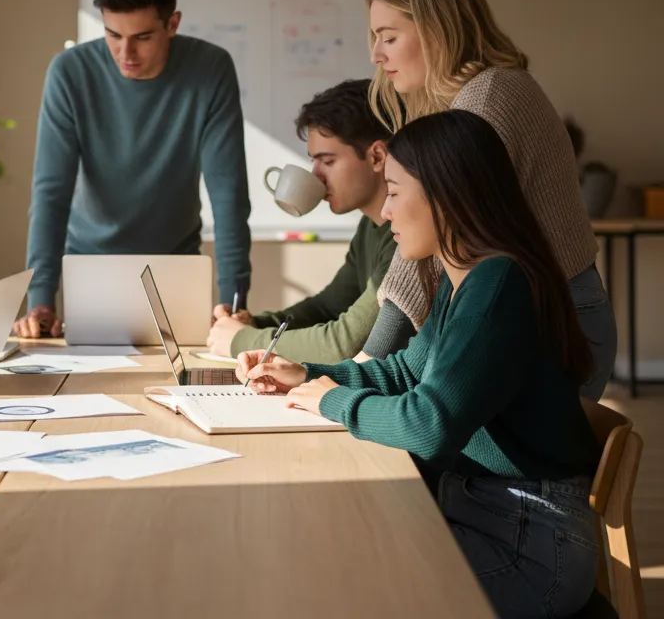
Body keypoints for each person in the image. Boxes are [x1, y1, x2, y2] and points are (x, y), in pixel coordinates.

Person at [240, 110, 601, 618]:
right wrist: (310, 378)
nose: (385, 214)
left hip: (528, 544)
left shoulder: (497, 286)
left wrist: (334, 402)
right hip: (489, 516)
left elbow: (432, 424)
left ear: (444, 195)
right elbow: (405, 372)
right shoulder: (468, 280)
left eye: (392, 191)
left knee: (330, 584)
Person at [360, 0, 615, 399]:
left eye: (389, 37)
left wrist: (370, 359)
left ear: (436, 28)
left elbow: (432, 235)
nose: (377, 56)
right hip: (532, 308)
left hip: (557, 316)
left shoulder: (489, 97)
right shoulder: (466, 97)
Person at [16, 0, 251, 338]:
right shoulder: (69, 73)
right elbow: (50, 193)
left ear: (172, 23)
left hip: (176, 269)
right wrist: (41, 298)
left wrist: (235, 299)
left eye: (142, 37)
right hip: (89, 269)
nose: (125, 54)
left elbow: (228, 195)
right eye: (113, 35)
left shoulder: (211, 70)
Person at [206, 79, 409, 362]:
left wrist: (240, 340)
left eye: (327, 162)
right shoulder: (369, 226)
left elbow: (344, 344)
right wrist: (256, 324)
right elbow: (327, 308)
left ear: (377, 156)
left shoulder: (405, 236)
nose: (315, 176)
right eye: (314, 161)